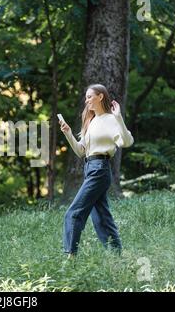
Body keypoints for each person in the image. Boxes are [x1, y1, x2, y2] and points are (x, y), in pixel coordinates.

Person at [60, 84, 134, 257]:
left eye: (89, 97)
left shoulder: (110, 119)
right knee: (102, 219)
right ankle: (117, 258)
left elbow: (126, 142)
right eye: (86, 98)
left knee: (74, 213)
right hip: (90, 168)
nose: (86, 101)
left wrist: (119, 118)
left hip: (100, 169)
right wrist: (68, 133)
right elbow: (81, 151)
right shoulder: (92, 121)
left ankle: (69, 258)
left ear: (100, 97)